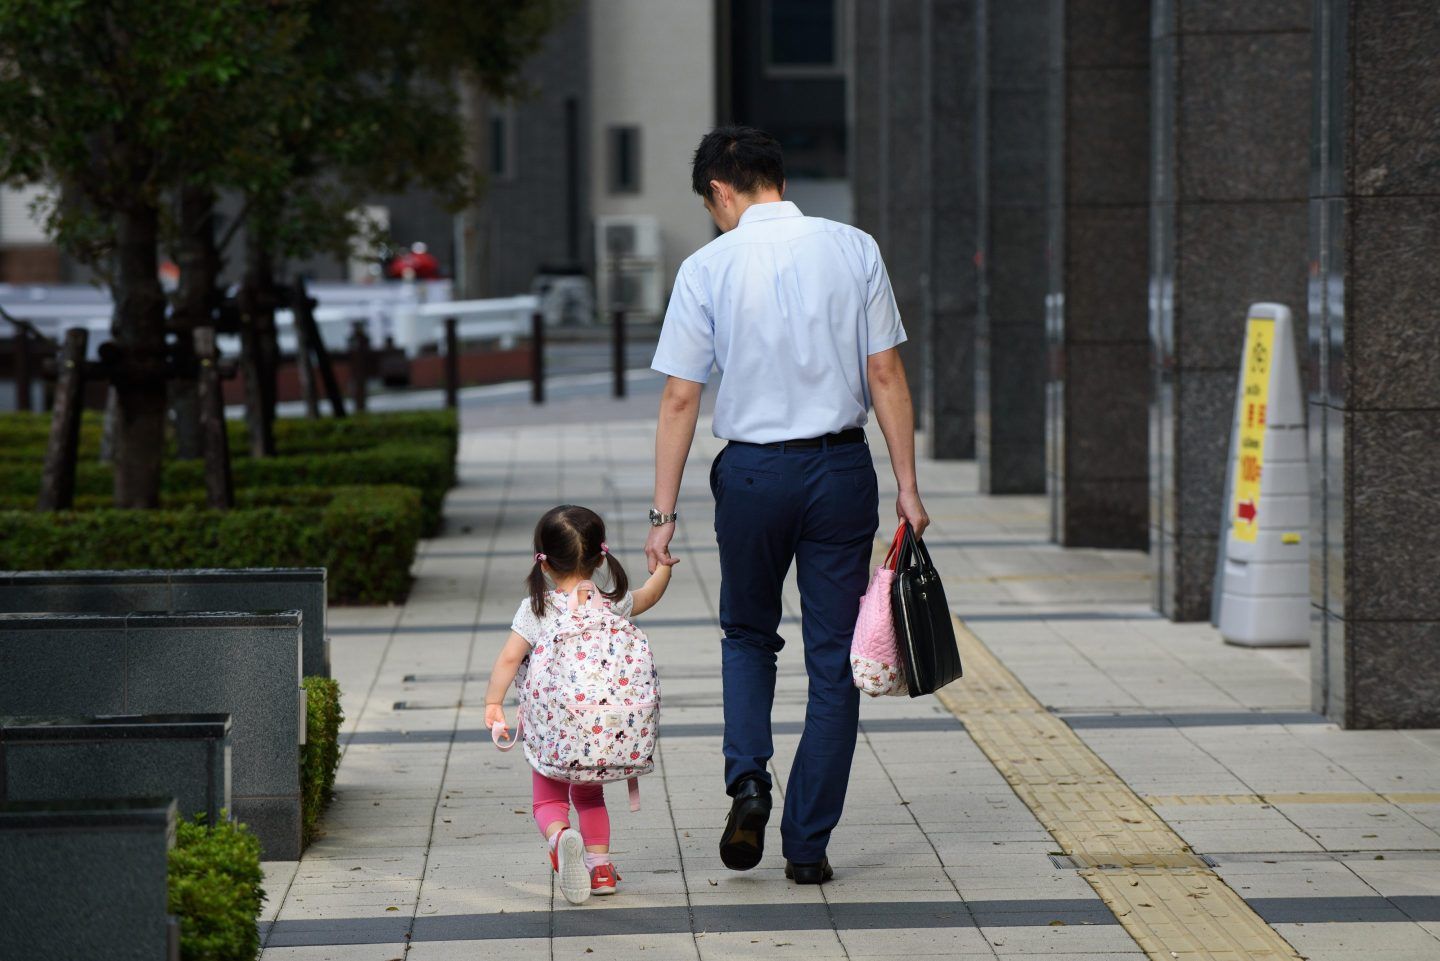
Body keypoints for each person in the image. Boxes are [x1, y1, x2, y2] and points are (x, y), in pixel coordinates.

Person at [644, 126, 929, 885]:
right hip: (840, 470)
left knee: (746, 634)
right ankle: (807, 844)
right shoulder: (854, 248)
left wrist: (661, 517)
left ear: (720, 191)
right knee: (835, 662)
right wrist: (908, 483)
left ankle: (749, 782)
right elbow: (887, 373)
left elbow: (680, 396)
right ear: (775, 177)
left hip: (751, 477)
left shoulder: (707, 266)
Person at [484, 505, 673, 904]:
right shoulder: (609, 601)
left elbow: (507, 659)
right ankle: (600, 868)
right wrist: (664, 567)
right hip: (601, 732)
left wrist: (493, 703)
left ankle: (559, 837)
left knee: (549, 799)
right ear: (600, 557)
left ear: (545, 564)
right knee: (590, 796)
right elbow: (649, 596)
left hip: (554, 730)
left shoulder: (537, 608)